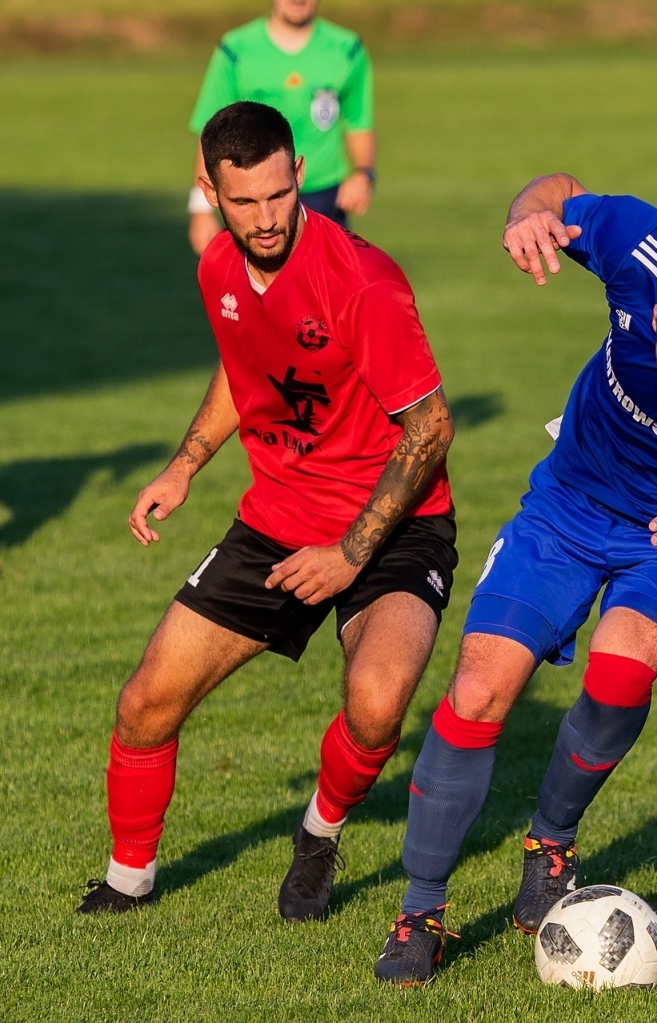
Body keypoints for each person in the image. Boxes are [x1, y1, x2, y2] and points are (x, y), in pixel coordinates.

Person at [372, 173, 657, 984]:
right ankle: (422, 910)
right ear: (654, 318)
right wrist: (526, 217)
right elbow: (556, 191)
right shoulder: (640, 250)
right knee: (478, 691)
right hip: (566, 507)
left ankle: (550, 843)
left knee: (619, 674)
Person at [78, 102, 455, 923]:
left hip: (393, 524)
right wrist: (184, 465)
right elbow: (244, 366)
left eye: (281, 194)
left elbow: (429, 428)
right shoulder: (218, 266)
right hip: (276, 518)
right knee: (146, 701)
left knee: (380, 697)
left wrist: (351, 554)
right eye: (245, 202)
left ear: (297, 176)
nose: (268, 217)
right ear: (210, 190)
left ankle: (319, 831)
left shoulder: (363, 281)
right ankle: (128, 880)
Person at [185, 0, 374, 255]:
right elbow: (212, 132)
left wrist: (363, 174)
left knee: (328, 290)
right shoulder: (235, 50)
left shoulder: (347, 49)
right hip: (257, 195)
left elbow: (358, 120)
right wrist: (200, 209)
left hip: (324, 197)